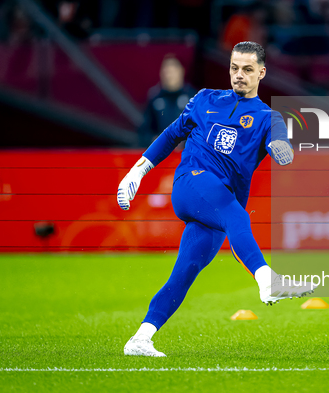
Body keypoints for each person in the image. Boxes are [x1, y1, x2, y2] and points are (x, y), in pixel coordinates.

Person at [117, 41, 316, 357]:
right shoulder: (205, 98)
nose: (239, 75)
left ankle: (140, 338)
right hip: (190, 184)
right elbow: (171, 135)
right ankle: (267, 280)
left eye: (247, 70)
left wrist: (282, 148)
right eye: (235, 68)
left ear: (261, 73)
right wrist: (137, 172)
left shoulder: (268, 118)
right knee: (238, 216)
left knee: (184, 273)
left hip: (215, 208)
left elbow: (281, 140)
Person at [137, 55, 196, 148]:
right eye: (166, 71)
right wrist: (154, 140)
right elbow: (143, 132)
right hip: (160, 155)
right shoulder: (154, 98)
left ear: (182, 71)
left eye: (173, 71)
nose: (169, 75)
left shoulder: (193, 98)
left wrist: (185, 143)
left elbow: (202, 130)